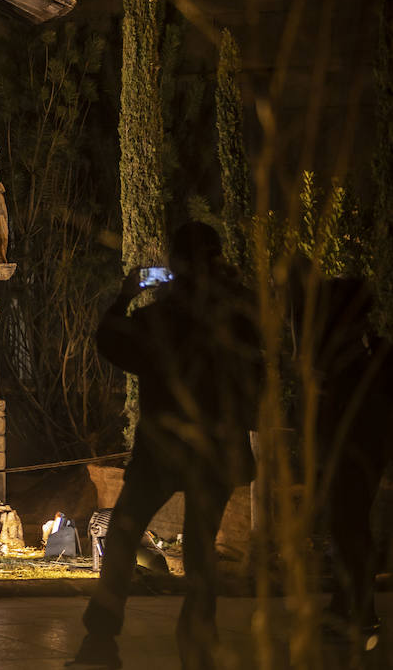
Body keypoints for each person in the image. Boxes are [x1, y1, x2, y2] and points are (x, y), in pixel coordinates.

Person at [72, 222, 261, 670]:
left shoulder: (159, 321)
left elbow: (109, 342)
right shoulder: (236, 319)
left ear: (175, 267)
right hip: (212, 450)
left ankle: (101, 639)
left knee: (122, 534)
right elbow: (259, 374)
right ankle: (197, 639)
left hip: (162, 449)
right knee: (199, 550)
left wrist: (126, 295)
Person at [299, 275, 393, 652]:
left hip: (352, 455)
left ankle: (359, 612)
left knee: (348, 532)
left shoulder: (352, 353)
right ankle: (346, 608)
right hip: (361, 454)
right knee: (348, 532)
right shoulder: (369, 348)